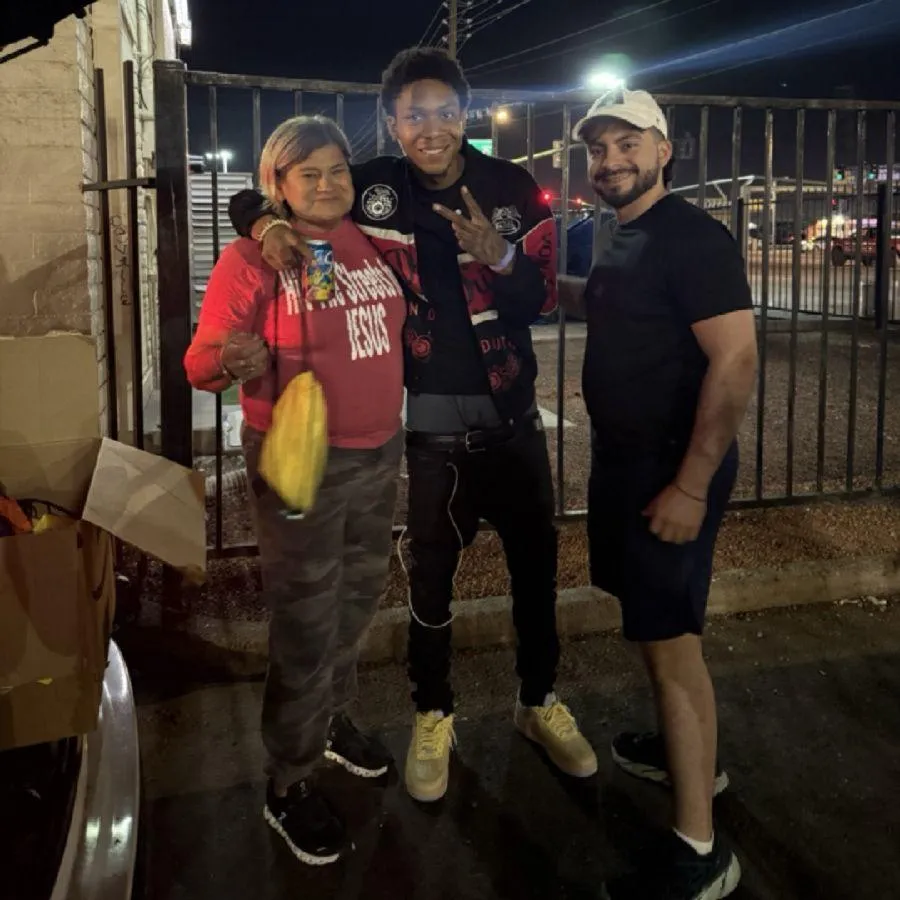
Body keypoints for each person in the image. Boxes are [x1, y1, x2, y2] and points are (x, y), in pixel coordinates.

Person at [229, 47, 597, 804]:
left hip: (513, 413)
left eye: (444, 111)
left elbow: (542, 301)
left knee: (535, 572)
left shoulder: (515, 189)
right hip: (426, 427)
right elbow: (277, 194)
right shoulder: (371, 189)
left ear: (464, 114)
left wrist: (499, 255)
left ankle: (539, 701)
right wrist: (263, 224)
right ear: (392, 123)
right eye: (413, 114)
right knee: (430, 578)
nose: (430, 127)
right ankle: (433, 711)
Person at [184, 115, 407, 866]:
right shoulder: (253, 258)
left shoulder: (364, 241)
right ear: (276, 184)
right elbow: (201, 361)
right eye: (306, 173)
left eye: (337, 170)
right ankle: (289, 779)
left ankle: (332, 720)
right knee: (307, 621)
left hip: (378, 453)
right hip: (301, 460)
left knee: (358, 597)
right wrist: (232, 359)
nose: (327, 184)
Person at [558, 90, 758, 899]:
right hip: (626, 467)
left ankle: (700, 851)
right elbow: (608, 305)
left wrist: (689, 485)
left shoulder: (694, 240)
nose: (610, 161)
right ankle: (687, 763)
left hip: (669, 473)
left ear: (664, 150)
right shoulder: (621, 234)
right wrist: (502, 268)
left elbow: (736, 362)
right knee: (652, 625)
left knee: (674, 649)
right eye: (598, 148)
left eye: (626, 144)